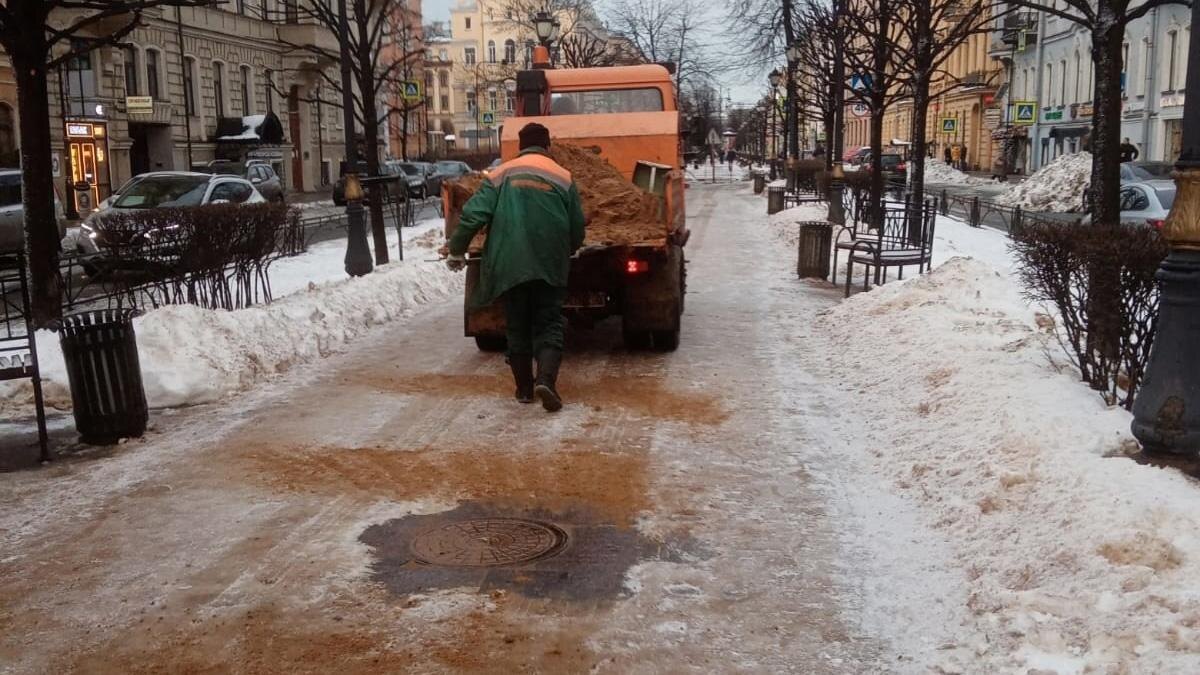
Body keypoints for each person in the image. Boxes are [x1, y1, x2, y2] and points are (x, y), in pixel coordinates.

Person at [445, 123, 586, 412]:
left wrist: (457, 250)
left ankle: (523, 389)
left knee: (517, 324)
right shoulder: (563, 178)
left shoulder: (500, 175)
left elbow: (473, 216)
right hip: (549, 264)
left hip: (509, 264)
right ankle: (546, 380)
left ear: (520, 147)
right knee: (549, 323)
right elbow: (577, 228)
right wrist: (567, 249)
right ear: (547, 146)